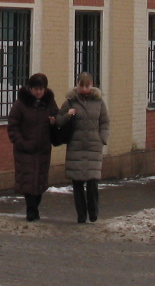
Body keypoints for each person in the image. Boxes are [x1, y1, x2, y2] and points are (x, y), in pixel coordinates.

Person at [57, 72, 109, 223]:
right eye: (82, 85)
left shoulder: (99, 102)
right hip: (76, 146)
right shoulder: (70, 101)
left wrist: (102, 138)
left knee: (93, 181)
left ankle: (93, 212)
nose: (85, 89)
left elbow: (105, 122)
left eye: (87, 85)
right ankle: (81, 215)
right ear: (77, 85)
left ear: (92, 85)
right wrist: (67, 115)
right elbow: (59, 120)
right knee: (77, 183)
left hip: (93, 147)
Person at [7, 72, 59, 221]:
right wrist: (21, 143)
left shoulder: (49, 103)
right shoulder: (20, 104)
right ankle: (31, 211)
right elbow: (13, 126)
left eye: (41, 89)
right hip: (25, 150)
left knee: (40, 181)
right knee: (28, 181)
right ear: (30, 88)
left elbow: (58, 118)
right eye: (36, 89)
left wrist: (54, 122)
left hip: (43, 149)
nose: (39, 92)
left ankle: (35, 209)